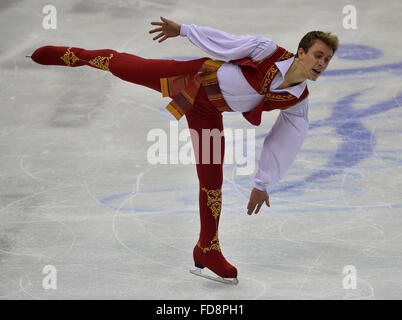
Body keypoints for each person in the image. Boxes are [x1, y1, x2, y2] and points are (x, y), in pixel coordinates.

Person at [30, 16, 338, 285]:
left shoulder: (298, 99)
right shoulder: (267, 51)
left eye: (326, 60)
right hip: (189, 80)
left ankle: (208, 247)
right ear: (301, 52)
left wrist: (262, 182)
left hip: (208, 114)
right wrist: (184, 30)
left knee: (212, 181)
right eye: (318, 56)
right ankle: (75, 55)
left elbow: (287, 138)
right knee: (125, 66)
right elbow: (226, 42)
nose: (321, 64)